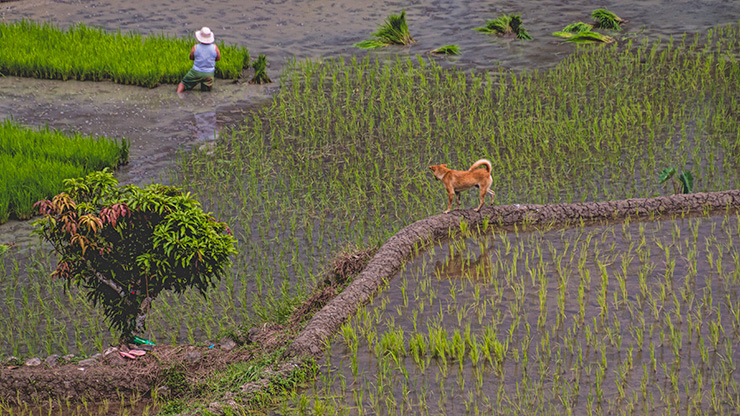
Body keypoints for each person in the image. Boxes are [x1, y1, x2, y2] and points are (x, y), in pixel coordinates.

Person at [177, 27, 221, 93]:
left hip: (196, 71)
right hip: (209, 73)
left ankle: (178, 94)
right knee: (206, 92)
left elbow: (191, 57)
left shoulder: (195, 47)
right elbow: (218, 58)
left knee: (183, 83)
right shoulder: (215, 47)